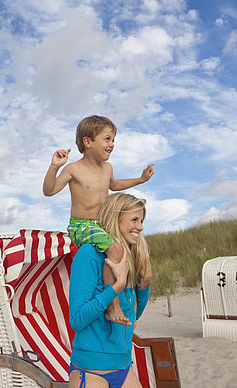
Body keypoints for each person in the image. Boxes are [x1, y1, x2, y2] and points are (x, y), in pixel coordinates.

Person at [43, 115, 154, 325]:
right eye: (107, 139)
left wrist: (140, 179)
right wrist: (54, 166)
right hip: (82, 226)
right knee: (115, 249)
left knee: (135, 249)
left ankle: (132, 296)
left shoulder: (108, 168)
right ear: (88, 142)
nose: (111, 144)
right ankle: (112, 306)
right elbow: (49, 191)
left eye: (113, 140)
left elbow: (115, 185)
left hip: (103, 226)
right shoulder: (73, 169)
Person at [68, 192, 152, 388]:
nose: (140, 227)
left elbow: (132, 317)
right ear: (116, 218)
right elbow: (77, 319)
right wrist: (115, 288)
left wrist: (145, 283)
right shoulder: (89, 254)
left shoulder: (129, 256)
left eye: (141, 220)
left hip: (123, 366)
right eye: (134, 219)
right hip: (90, 371)